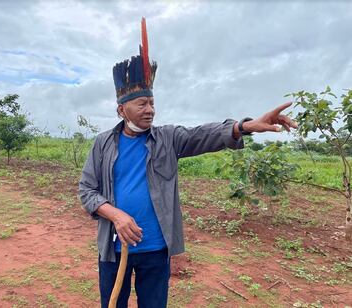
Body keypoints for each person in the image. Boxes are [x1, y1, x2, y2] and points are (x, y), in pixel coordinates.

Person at [79, 18, 297, 308]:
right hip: (114, 249)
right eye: (142, 104)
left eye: (152, 103)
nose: (150, 109)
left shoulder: (168, 138)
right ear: (122, 109)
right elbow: (87, 191)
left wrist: (243, 127)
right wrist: (116, 216)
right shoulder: (103, 144)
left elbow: (203, 135)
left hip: (156, 248)